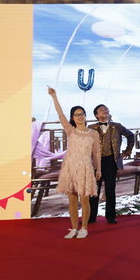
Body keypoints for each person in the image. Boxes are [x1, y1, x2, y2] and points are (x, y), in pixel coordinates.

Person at [48, 87, 101, 239]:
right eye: (77, 114)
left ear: (85, 116)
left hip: (85, 168)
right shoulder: (70, 130)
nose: (80, 116)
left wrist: (98, 169)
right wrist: (54, 96)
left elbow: (96, 153)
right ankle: (73, 228)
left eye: (82, 114)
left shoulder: (93, 133)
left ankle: (84, 228)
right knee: (72, 199)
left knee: (84, 199)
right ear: (72, 117)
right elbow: (60, 114)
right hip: (70, 167)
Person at [88, 104, 134, 224]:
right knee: (94, 189)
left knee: (110, 189)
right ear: (96, 115)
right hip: (95, 161)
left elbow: (130, 135)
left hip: (111, 161)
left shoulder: (117, 126)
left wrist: (127, 152)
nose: (105, 110)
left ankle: (111, 216)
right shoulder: (91, 128)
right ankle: (91, 217)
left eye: (106, 109)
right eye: (101, 110)